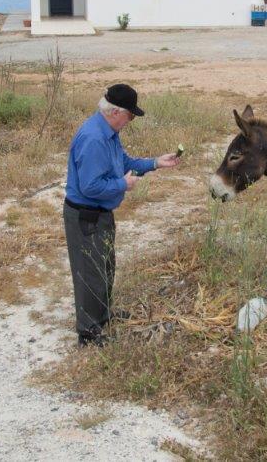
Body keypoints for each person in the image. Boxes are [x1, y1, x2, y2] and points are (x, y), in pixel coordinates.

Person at [63, 83, 180, 347]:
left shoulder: (109, 132)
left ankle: (102, 317)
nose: (131, 120)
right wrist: (121, 185)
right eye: (130, 115)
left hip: (101, 214)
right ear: (116, 112)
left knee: (104, 267)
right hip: (86, 216)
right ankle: (89, 334)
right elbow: (89, 186)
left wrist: (155, 163)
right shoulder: (94, 138)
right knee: (89, 272)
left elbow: (124, 163)